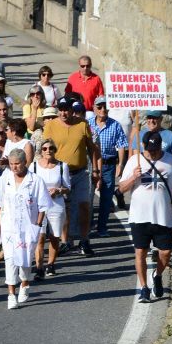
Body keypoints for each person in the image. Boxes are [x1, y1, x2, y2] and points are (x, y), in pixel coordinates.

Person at [118, 131, 172, 302]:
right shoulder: (135, 161)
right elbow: (121, 188)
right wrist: (133, 177)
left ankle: (157, 274)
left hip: (163, 216)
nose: (153, 153)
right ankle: (143, 288)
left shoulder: (170, 160)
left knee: (165, 252)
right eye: (149, 150)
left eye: (155, 149)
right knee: (140, 251)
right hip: (139, 216)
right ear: (143, 146)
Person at [0, 149, 51, 310]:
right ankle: (11, 294)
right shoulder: (6, 178)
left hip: (28, 227)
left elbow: (43, 205)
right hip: (9, 226)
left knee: (24, 259)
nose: (14, 167)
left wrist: (37, 225)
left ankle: (24, 283)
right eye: (11, 164)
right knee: (10, 259)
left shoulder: (35, 181)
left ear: (25, 163)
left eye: (17, 164)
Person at [42, 96, 99, 256]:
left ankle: (84, 240)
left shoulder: (82, 124)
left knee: (84, 206)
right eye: (61, 109)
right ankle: (66, 241)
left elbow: (91, 148)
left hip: (80, 172)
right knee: (64, 208)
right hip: (60, 172)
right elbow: (45, 148)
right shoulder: (51, 125)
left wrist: (95, 170)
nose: (63, 112)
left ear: (72, 111)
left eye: (66, 109)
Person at [90, 96, 129, 236]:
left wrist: (121, 164)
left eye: (105, 107)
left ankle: (102, 228)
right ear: (94, 108)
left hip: (109, 165)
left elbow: (121, 145)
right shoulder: (87, 124)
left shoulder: (115, 125)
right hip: (91, 165)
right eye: (99, 107)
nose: (102, 109)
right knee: (88, 197)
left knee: (106, 198)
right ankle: (87, 227)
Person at [32, 140, 70, 278]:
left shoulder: (62, 166)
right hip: (39, 206)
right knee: (40, 237)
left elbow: (68, 188)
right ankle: (39, 267)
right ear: (41, 150)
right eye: (45, 148)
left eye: (51, 148)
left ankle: (51, 264)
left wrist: (58, 190)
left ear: (55, 150)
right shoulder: (34, 166)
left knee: (54, 236)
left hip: (56, 204)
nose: (48, 150)